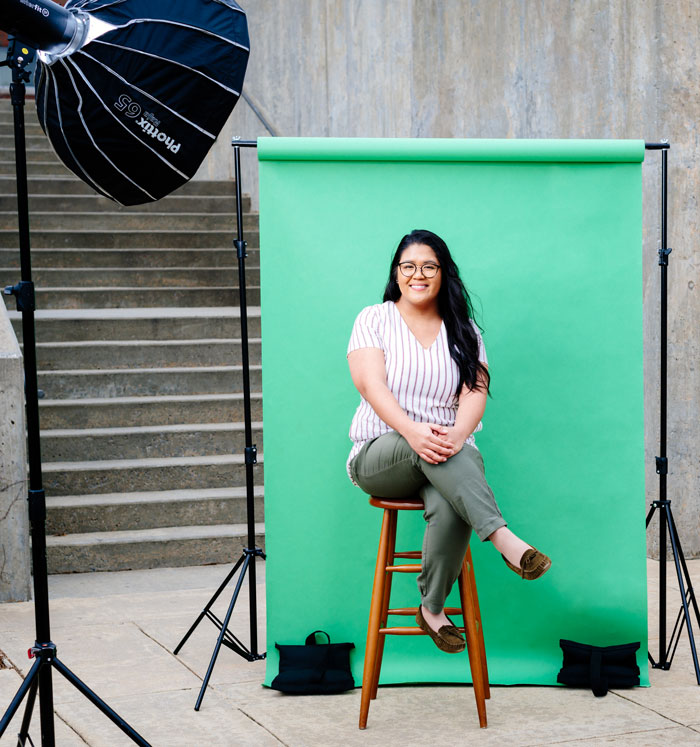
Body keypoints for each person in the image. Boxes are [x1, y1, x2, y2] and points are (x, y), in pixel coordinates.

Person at [346, 229, 551, 654]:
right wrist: (412, 429)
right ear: (396, 273)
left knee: (450, 503)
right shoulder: (374, 318)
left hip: (446, 453)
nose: (417, 274)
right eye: (408, 266)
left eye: (428, 266)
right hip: (383, 453)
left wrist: (457, 435)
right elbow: (370, 384)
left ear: (443, 274)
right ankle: (503, 539)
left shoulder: (465, 330)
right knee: (440, 456)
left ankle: (432, 608)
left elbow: (475, 392)